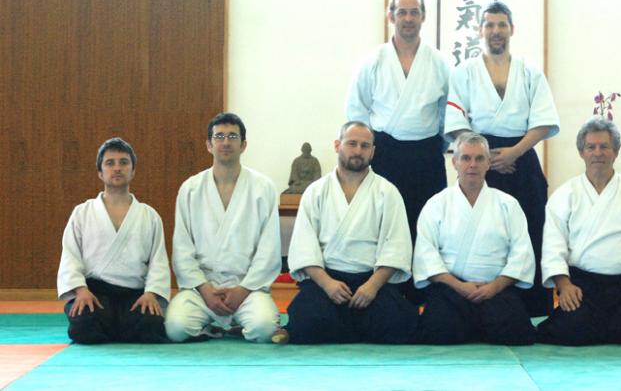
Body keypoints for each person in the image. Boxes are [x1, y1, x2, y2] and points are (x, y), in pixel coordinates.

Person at [445, 0, 559, 316]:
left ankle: (532, 304)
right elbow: (455, 124)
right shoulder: (464, 72)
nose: (496, 31)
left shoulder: (530, 71)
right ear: (480, 30)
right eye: (490, 25)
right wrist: (484, 156)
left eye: (502, 25)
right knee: (482, 227)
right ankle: (477, 297)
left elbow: (545, 120)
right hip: (478, 159)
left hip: (522, 155)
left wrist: (515, 152)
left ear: (512, 29)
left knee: (532, 227)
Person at [282, 121, 418, 344]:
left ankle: (346, 325)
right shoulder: (316, 191)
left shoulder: (387, 191)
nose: (358, 151)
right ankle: (354, 326)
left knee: (400, 324)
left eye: (365, 146)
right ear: (337, 146)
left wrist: (372, 286)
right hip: (328, 279)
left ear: (373, 151)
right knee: (306, 321)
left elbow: (396, 246)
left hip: (371, 280)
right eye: (352, 143)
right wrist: (327, 284)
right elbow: (304, 247)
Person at [538, 118, 621, 346]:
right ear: (581, 152)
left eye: (604, 146)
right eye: (591, 147)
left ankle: (605, 327)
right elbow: (553, 247)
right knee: (568, 332)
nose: (598, 153)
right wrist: (564, 285)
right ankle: (604, 327)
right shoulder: (565, 194)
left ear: (616, 151)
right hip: (582, 286)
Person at [165, 112, 282, 343]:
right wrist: (205, 290)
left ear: (243, 145)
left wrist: (243, 290)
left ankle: (234, 324)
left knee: (264, 329)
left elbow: (269, 249)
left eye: (232, 136)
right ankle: (218, 326)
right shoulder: (191, 189)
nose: (226, 142)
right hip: (202, 290)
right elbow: (182, 249)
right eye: (219, 137)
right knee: (175, 329)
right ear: (209, 145)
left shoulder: (263, 188)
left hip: (246, 288)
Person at [346, 0, 450, 242]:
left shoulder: (439, 62)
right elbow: (356, 110)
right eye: (402, 12)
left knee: (428, 225)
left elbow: (448, 111)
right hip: (385, 152)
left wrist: (439, 143)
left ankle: (425, 269)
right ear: (391, 16)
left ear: (423, 16)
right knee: (384, 224)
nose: (408, 18)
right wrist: (366, 148)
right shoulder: (373, 61)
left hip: (427, 154)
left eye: (414, 12)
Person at [414, 133, 536, 345]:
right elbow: (426, 254)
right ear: (454, 162)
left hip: (496, 289)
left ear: (488, 163)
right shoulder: (436, 204)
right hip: (451, 290)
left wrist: (494, 287)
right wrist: (459, 286)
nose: (473, 164)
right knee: (436, 330)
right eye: (466, 158)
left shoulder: (508, 204)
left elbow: (521, 253)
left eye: (479, 158)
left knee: (518, 333)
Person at [57, 137, 170, 344]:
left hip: (134, 295)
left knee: (151, 325)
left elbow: (158, 260)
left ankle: (115, 326)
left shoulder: (149, 215)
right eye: (110, 163)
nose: (117, 168)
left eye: (123, 162)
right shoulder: (82, 212)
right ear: (100, 173)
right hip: (95, 293)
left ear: (133, 171)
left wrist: (151, 293)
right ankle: (117, 326)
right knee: (84, 325)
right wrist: (81, 290)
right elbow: (70, 255)